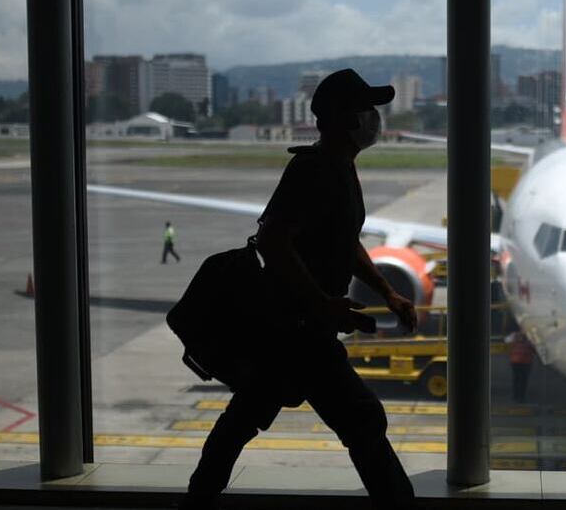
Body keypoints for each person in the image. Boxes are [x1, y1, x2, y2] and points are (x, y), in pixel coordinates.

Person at [180, 69, 420, 510]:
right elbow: (272, 239)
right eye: (368, 109)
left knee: (243, 417)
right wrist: (322, 303)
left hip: (299, 325)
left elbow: (343, 243)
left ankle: (197, 500)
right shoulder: (314, 169)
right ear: (349, 119)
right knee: (362, 419)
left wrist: (387, 291)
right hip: (296, 328)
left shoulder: (339, 168)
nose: (375, 118)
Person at [504, 330, 535, 403]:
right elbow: (535, 347)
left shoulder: (514, 335)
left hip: (515, 361)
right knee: (523, 381)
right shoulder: (531, 335)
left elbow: (506, 341)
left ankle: (515, 396)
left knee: (516, 379)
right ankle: (521, 397)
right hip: (526, 361)